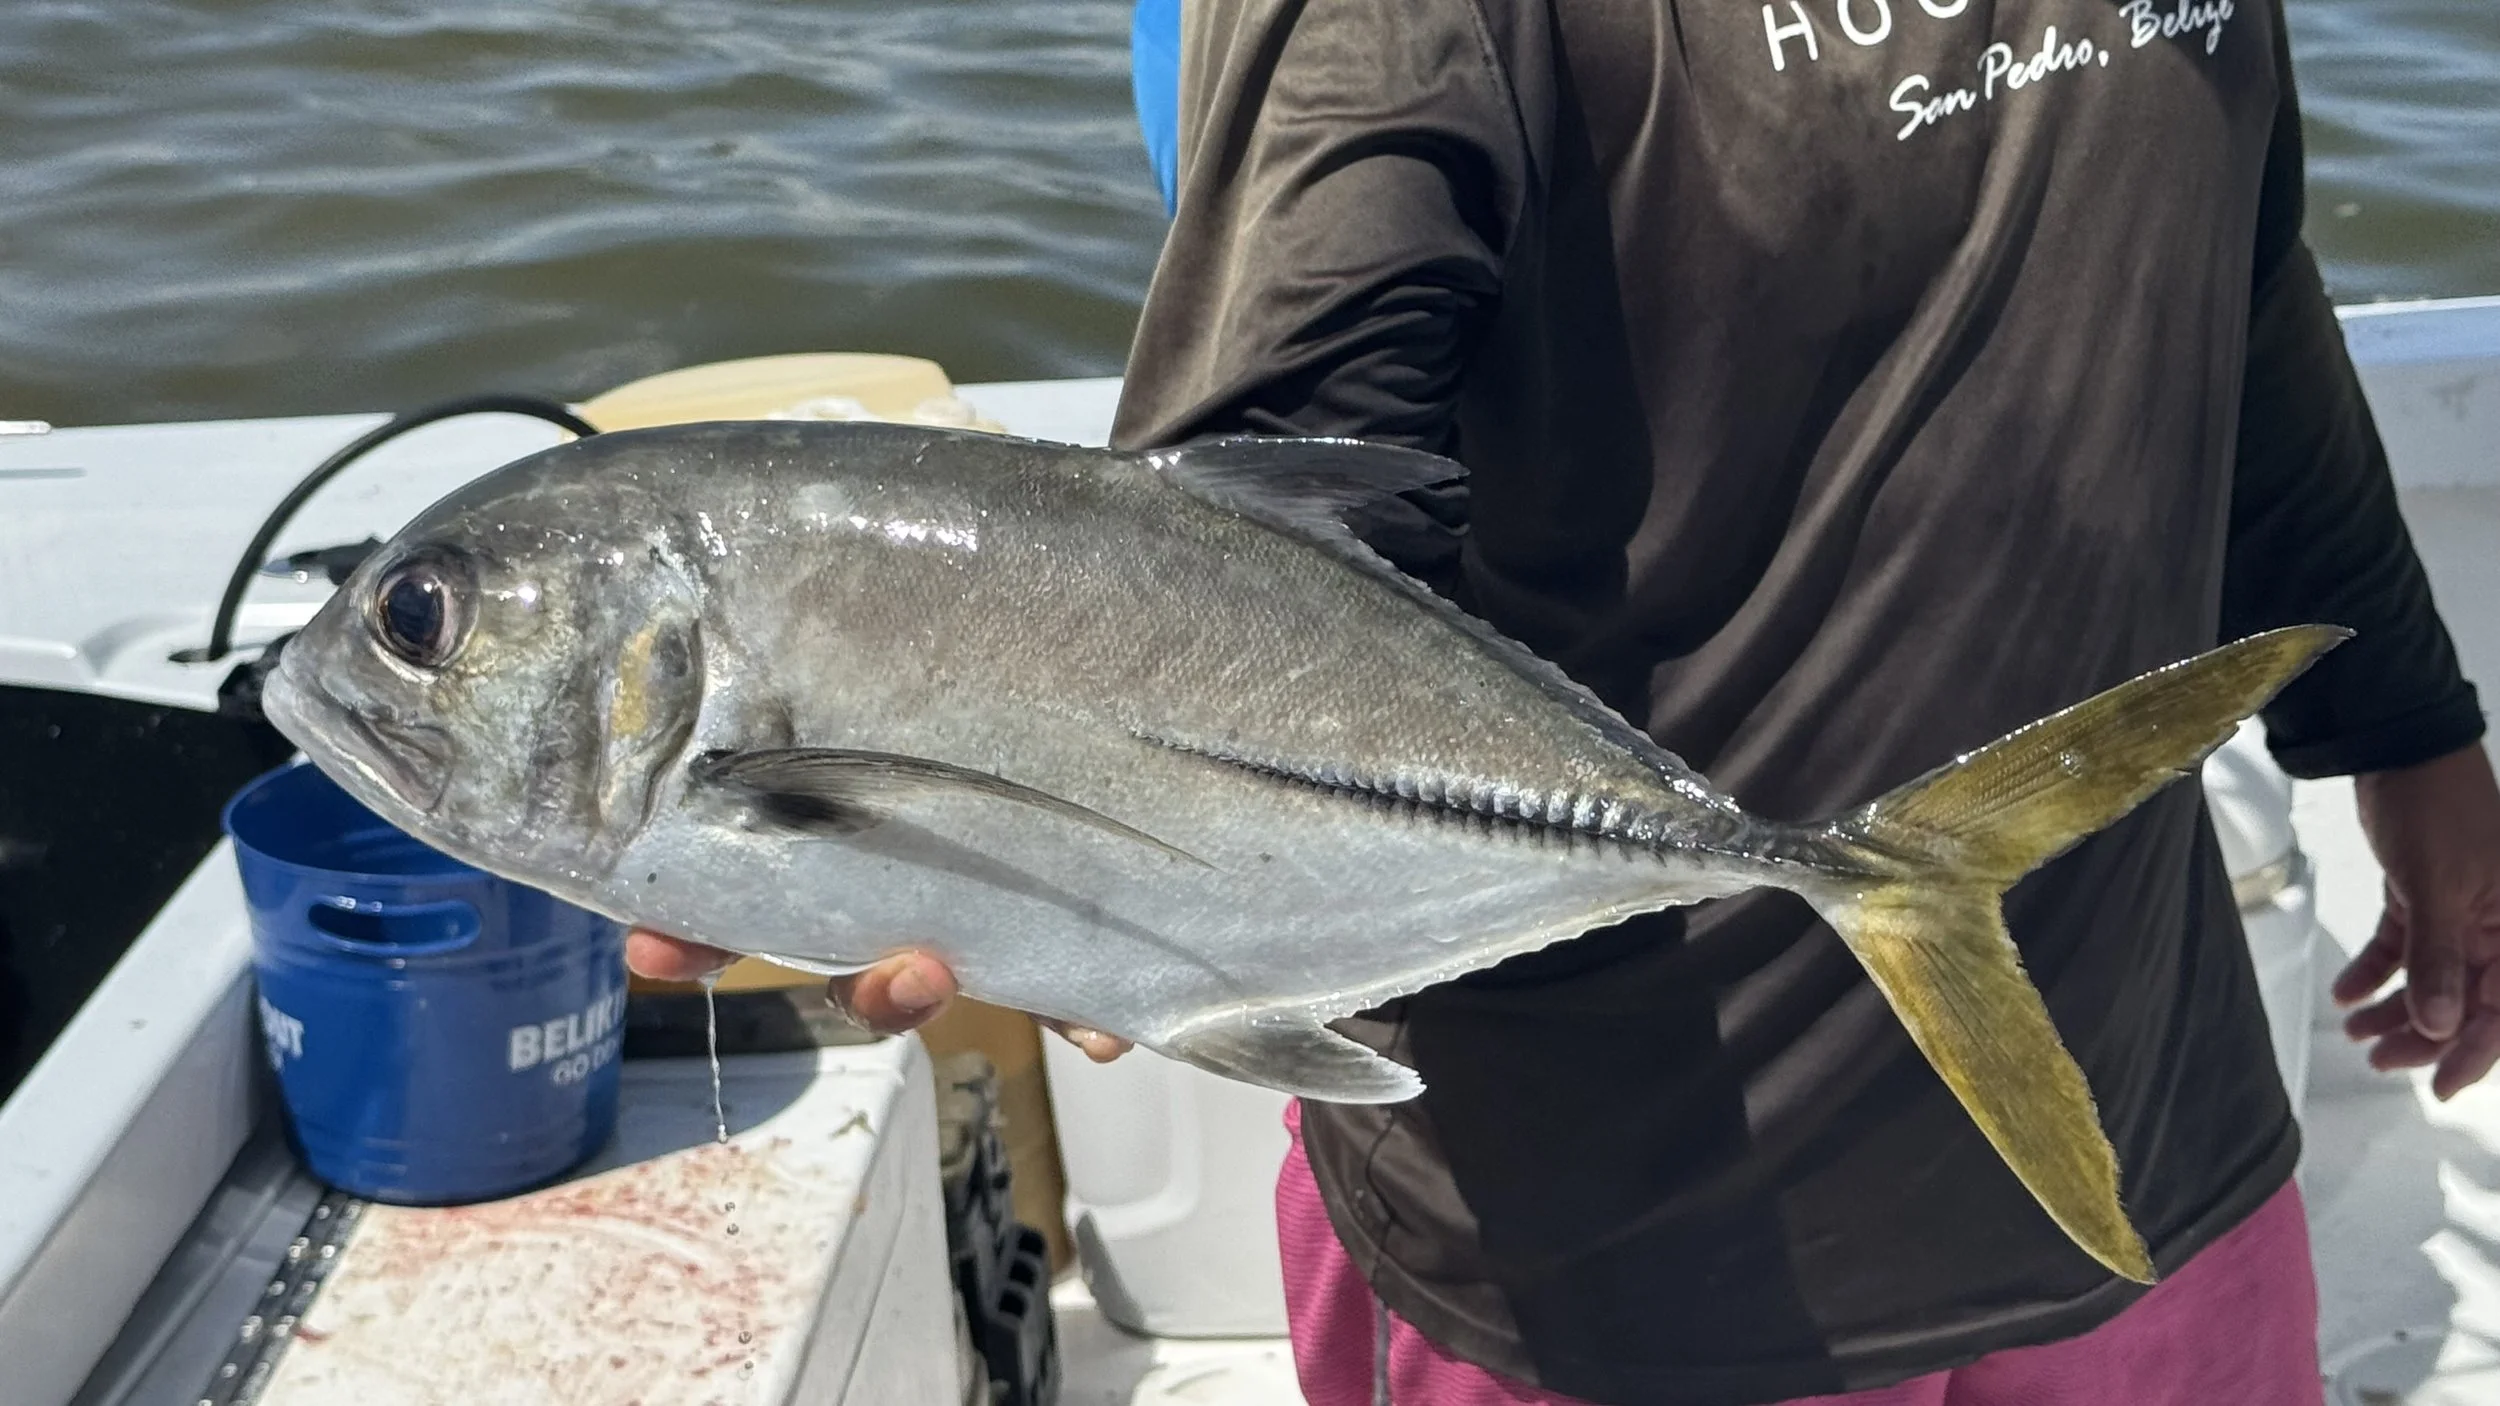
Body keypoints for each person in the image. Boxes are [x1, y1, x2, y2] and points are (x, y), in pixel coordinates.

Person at [633, 0, 2500, 1401]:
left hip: (2144, 1143)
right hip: (1630, 1260)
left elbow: (2239, 294)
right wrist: (945, 797)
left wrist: (2410, 726)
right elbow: (1247, 518)